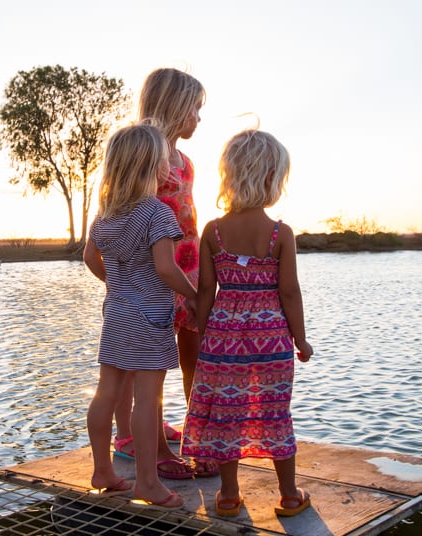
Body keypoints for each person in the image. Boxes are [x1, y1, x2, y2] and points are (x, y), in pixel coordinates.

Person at [180, 129, 314, 517]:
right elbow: (290, 293)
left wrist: (206, 336)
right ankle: (289, 496)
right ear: (272, 179)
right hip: (271, 338)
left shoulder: (214, 232)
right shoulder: (280, 235)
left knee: (226, 412)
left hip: (224, 338)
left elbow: (205, 291)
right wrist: (300, 340)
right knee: (273, 410)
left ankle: (227, 496)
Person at [84, 122, 197, 509]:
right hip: (150, 317)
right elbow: (166, 269)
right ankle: (147, 482)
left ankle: (102, 471)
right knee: (147, 400)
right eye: (164, 160)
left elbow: (89, 258)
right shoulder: (157, 213)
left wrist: (117, 286)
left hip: (115, 314)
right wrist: (194, 295)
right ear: (154, 166)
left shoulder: (105, 215)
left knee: (107, 391)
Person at [112, 67, 216, 478]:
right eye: (195, 108)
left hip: (186, 268)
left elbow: (190, 216)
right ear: (175, 106)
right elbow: (122, 209)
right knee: (142, 363)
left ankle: (199, 432)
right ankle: (136, 440)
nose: (199, 117)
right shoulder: (143, 153)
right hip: (151, 272)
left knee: (192, 350)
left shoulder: (185, 161)